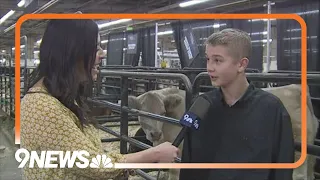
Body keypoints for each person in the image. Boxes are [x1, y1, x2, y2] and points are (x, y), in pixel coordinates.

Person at [20, 19, 179, 180]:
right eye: (95, 48)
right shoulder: (42, 107)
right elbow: (91, 164)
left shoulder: (59, 98)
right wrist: (154, 154)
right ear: (72, 53)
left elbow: (82, 153)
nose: (102, 54)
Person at [179, 28, 295, 180]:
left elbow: (282, 165)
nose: (209, 67)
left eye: (218, 60)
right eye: (208, 59)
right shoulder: (202, 106)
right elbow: (189, 161)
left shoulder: (271, 109)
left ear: (241, 64)